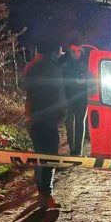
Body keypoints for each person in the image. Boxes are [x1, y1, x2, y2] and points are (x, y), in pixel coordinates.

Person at [24, 41, 66, 210]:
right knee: (49, 157)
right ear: (54, 52)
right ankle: (45, 196)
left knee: (41, 156)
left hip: (34, 119)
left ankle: (41, 193)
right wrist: (60, 114)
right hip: (47, 120)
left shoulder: (33, 67)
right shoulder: (52, 69)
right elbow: (57, 95)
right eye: (59, 52)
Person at [59, 39, 88, 156]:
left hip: (82, 96)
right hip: (67, 96)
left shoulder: (86, 60)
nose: (76, 53)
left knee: (80, 122)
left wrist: (86, 79)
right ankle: (72, 149)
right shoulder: (63, 60)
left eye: (78, 51)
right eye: (73, 51)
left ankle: (78, 151)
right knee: (69, 123)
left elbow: (92, 75)